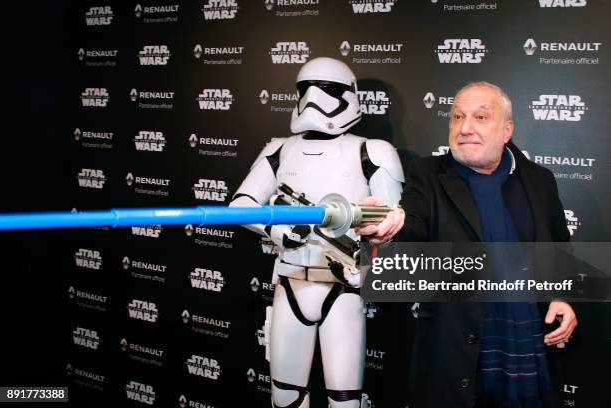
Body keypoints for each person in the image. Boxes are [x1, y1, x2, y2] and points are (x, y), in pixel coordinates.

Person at [358, 82, 578, 408]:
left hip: (529, 348)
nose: (465, 128)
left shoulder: (539, 180)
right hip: (456, 357)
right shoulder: (427, 174)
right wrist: (386, 231)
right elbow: (411, 224)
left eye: (480, 117)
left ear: (507, 130)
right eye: (457, 116)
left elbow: (560, 247)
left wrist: (562, 296)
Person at [229, 57, 404, 407]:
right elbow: (240, 206)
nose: (313, 98)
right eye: (305, 89)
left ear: (348, 96)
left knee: (345, 398)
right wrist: (279, 231)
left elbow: (389, 220)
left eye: (326, 90)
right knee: (286, 395)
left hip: (343, 286)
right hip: (291, 281)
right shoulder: (280, 149)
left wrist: (358, 223)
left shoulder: (371, 151)